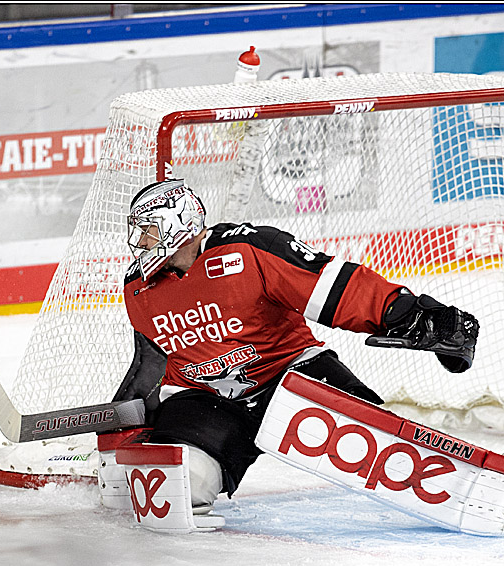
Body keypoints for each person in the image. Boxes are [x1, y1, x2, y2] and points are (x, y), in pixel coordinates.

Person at [113, 178, 478, 511]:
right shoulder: (137, 288)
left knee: (378, 445)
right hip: (205, 397)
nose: (139, 243)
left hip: (289, 374)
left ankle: (459, 488)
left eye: (148, 231)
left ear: (181, 223)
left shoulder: (249, 250)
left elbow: (333, 288)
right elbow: (154, 358)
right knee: (180, 487)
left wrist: (409, 314)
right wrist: (137, 419)